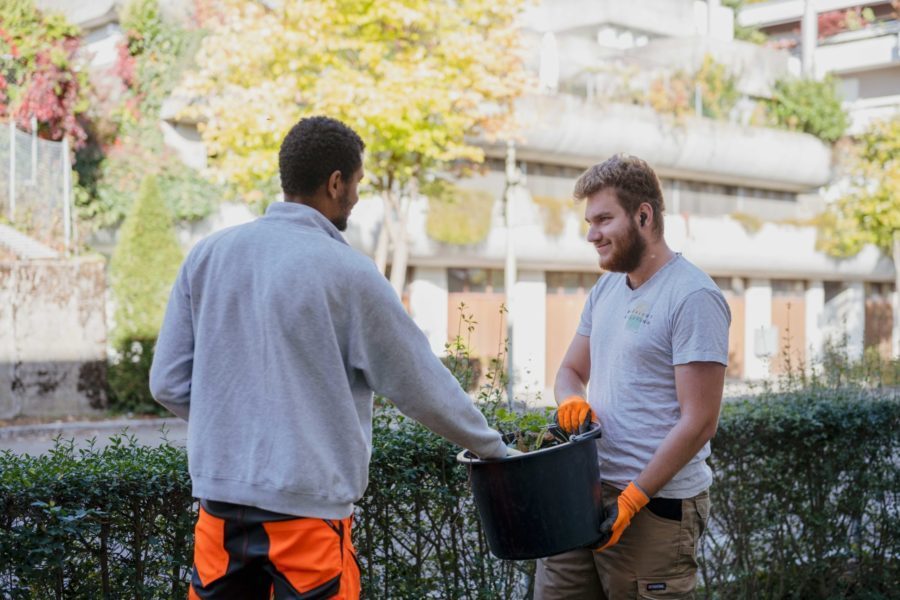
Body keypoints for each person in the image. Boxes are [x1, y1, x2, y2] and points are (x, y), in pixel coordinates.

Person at [149, 116, 511, 600]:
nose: (358, 197)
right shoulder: (348, 273)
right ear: (335, 182)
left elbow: (167, 385)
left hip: (219, 514)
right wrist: (497, 450)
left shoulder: (207, 256)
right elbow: (422, 386)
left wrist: (238, 422)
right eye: (358, 182)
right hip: (306, 518)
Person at [535, 155, 730, 599]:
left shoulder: (693, 296)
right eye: (589, 221)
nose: (592, 234)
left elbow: (700, 421)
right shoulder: (605, 289)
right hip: (584, 493)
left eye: (604, 219)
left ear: (644, 215)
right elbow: (570, 371)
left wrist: (634, 498)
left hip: (656, 511)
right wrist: (570, 400)